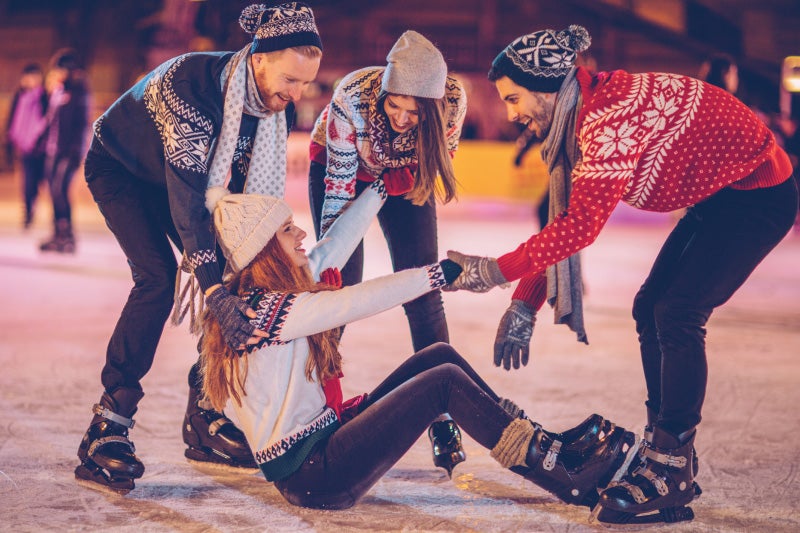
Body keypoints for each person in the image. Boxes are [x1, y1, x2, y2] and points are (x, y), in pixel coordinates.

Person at [445, 25, 798, 525]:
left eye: (514, 98)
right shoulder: (585, 108)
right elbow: (566, 220)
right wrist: (524, 300)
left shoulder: (605, 121)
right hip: (722, 196)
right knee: (649, 307)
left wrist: (490, 272)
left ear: (546, 87)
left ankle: (671, 467)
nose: (511, 113)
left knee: (677, 312)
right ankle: (667, 451)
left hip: (759, 196)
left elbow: (578, 228)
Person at [199, 176, 636, 511]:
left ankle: (540, 441)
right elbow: (360, 300)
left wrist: (379, 191)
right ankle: (562, 473)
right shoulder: (262, 313)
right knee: (441, 382)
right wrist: (441, 274)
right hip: (316, 473)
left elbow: (336, 243)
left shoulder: (259, 299)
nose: (300, 236)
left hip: (324, 446)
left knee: (437, 356)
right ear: (264, 250)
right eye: (286, 231)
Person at [75, 3, 323, 494]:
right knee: (158, 279)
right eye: (290, 80)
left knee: (236, 274)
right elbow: (189, 199)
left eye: (304, 85)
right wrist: (213, 289)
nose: (295, 96)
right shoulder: (191, 87)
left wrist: (252, 270)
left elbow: (246, 209)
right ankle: (109, 424)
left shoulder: (269, 107)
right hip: (121, 169)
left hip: (183, 181)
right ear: (258, 58)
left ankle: (205, 416)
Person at [307, 30, 469, 476]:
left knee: (424, 287)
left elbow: (437, 159)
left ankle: (443, 414)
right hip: (342, 169)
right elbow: (340, 191)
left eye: (412, 111)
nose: (399, 115)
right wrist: (330, 259)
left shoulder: (453, 99)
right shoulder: (353, 98)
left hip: (406, 177)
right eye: (392, 104)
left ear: (432, 106)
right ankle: (314, 406)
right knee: (339, 292)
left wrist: (398, 178)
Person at [38, 49, 92, 253]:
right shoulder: (58, 90)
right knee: (53, 190)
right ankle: (57, 233)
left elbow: (82, 123)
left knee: (61, 189)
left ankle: (67, 235)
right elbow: (50, 119)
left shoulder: (80, 90)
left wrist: (76, 149)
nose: (56, 73)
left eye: (59, 69)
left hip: (70, 150)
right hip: (53, 149)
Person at [4, 63, 49, 229]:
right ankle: (28, 211)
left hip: (41, 147)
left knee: (42, 180)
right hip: (24, 147)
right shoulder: (19, 97)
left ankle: (49, 213)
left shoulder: (45, 96)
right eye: (28, 76)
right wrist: (9, 139)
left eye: (34, 76)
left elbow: (48, 120)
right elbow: (13, 119)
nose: (30, 80)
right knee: (28, 181)